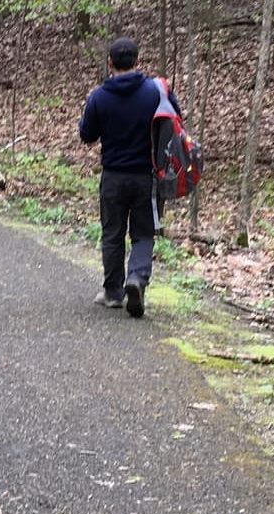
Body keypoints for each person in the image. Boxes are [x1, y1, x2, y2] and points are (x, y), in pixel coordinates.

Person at [79, 37, 181, 319]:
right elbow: (175, 118)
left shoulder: (99, 96)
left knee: (112, 234)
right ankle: (136, 279)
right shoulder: (155, 91)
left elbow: (87, 135)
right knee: (143, 233)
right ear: (138, 61)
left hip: (113, 175)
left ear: (110, 62)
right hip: (147, 177)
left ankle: (113, 293)